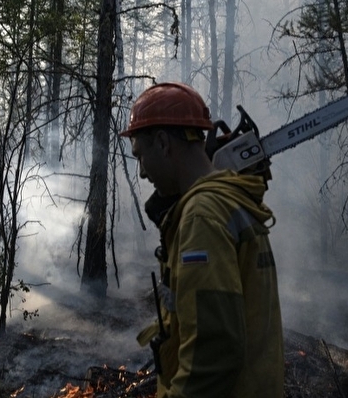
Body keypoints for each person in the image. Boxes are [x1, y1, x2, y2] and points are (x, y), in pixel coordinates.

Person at [120, 82, 284, 397]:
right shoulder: (230, 199)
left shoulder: (202, 217)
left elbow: (213, 356)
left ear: (163, 143)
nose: (141, 173)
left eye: (140, 156)